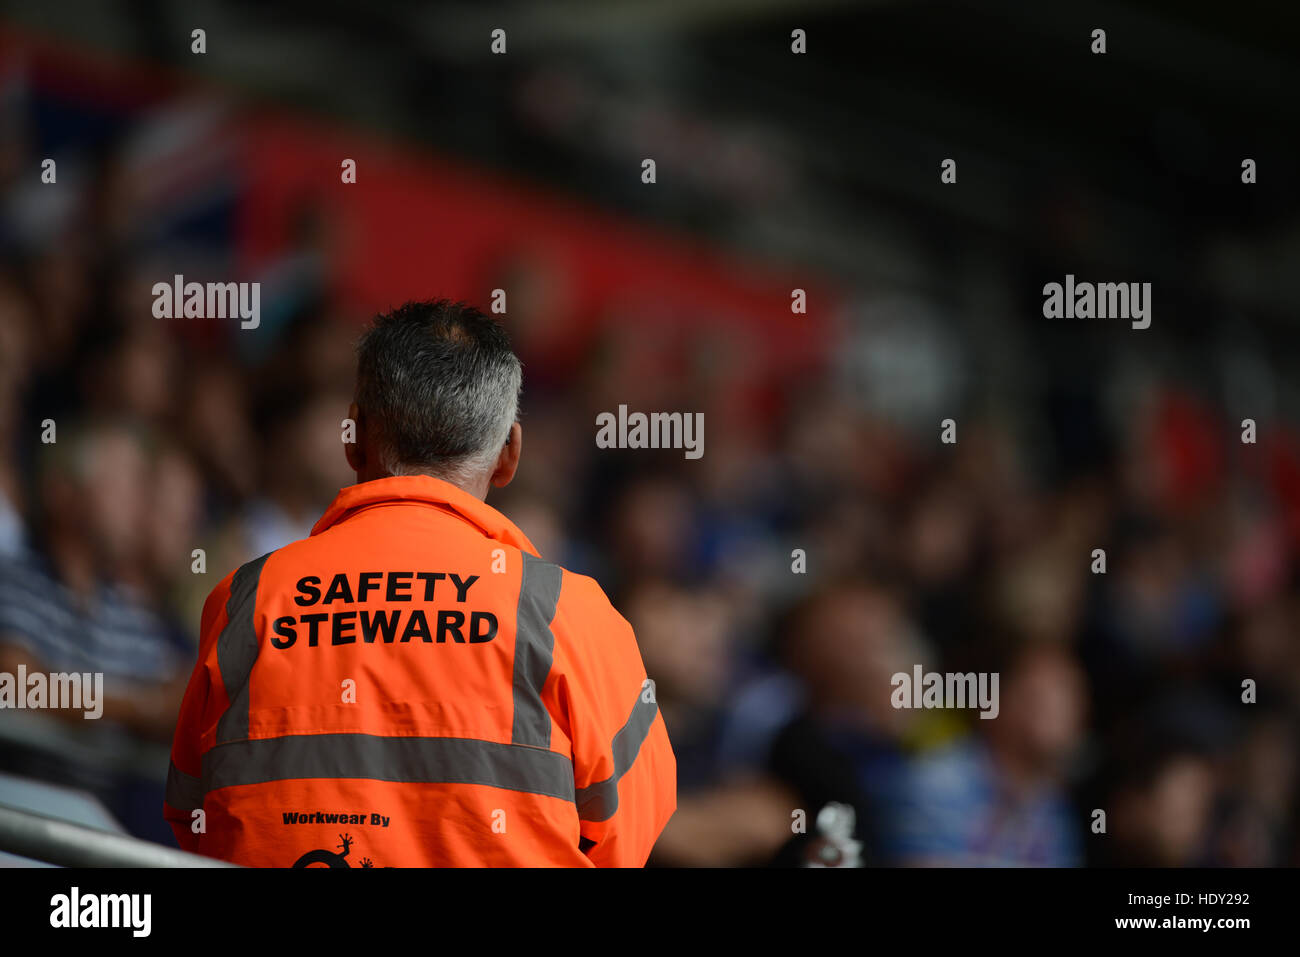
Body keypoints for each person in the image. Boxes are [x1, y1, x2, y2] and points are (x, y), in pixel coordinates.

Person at [164, 299, 676, 867]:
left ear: (353, 437)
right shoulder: (571, 617)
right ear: (509, 454)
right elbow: (629, 840)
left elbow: (193, 816)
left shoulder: (246, 599)